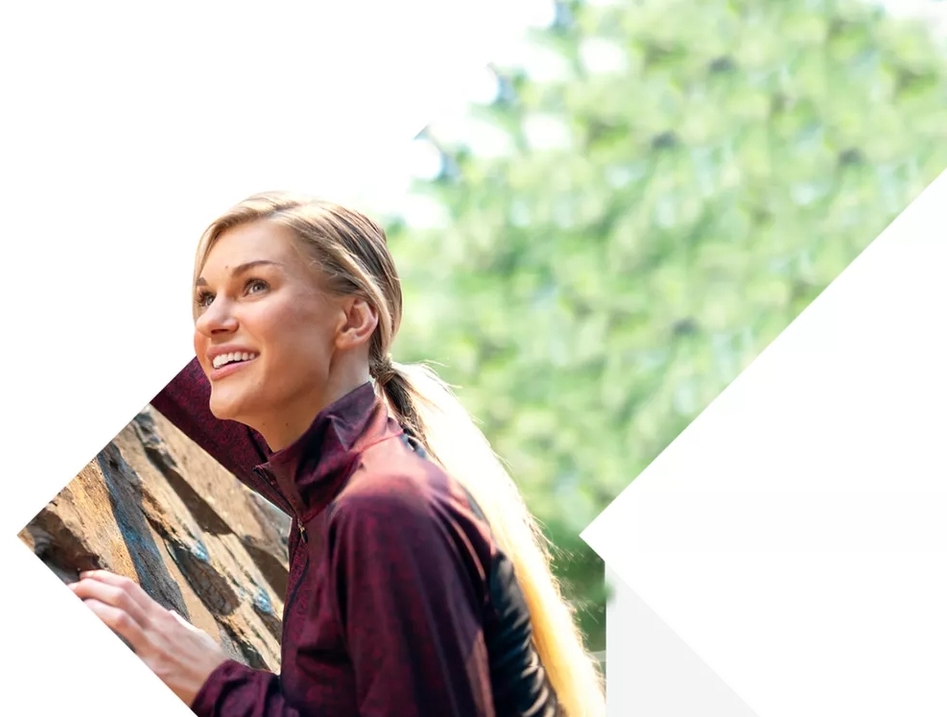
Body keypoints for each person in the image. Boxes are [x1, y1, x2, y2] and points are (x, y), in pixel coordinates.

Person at [68, 192, 605, 717]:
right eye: (205, 298)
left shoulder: (385, 508)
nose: (211, 321)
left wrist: (215, 683)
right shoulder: (320, 480)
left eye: (254, 286)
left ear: (353, 320)